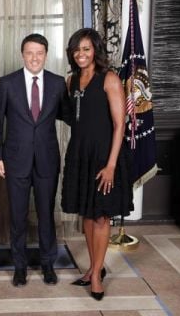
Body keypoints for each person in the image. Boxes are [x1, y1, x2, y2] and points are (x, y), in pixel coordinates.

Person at [61, 28, 133, 300]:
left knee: (101, 216)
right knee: (87, 216)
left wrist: (112, 164)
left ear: (96, 51)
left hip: (105, 155)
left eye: (86, 49)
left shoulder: (110, 78)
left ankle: (97, 276)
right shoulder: (72, 80)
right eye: (76, 49)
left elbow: (119, 125)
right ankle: (93, 269)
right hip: (80, 154)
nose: (81, 54)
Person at [0, 33, 68, 287]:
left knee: (47, 214)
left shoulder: (59, 84)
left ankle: (48, 265)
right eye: (29, 52)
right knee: (18, 216)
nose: (34, 57)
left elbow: (69, 115)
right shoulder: (7, 83)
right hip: (15, 160)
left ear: (45, 54)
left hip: (47, 159)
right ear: (22, 54)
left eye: (39, 53)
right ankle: (20, 267)